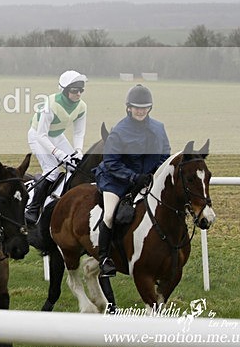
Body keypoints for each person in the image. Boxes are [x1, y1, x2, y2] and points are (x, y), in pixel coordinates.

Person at [93, 84, 170, 277]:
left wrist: (153, 174)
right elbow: (111, 162)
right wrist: (133, 177)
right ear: (129, 107)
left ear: (150, 108)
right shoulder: (119, 131)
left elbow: (165, 153)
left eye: (144, 107)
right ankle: (104, 259)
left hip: (145, 179)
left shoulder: (159, 128)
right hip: (115, 180)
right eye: (136, 107)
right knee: (110, 215)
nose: (140, 111)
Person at [24, 70, 88, 224]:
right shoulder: (50, 104)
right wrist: (58, 153)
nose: (78, 94)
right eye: (74, 90)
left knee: (76, 167)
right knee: (52, 172)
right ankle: (33, 209)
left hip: (56, 136)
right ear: (65, 91)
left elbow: (79, 133)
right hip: (38, 136)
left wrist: (78, 151)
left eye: (81, 90)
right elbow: (41, 135)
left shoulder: (82, 106)